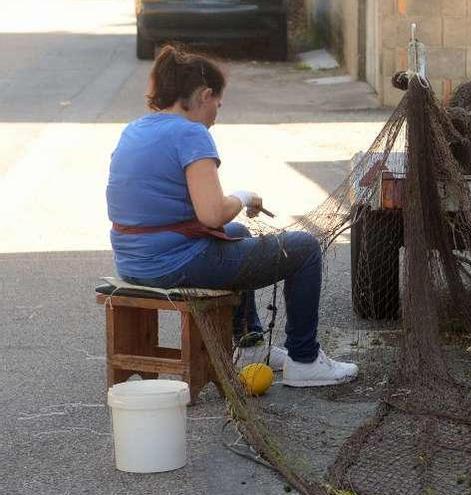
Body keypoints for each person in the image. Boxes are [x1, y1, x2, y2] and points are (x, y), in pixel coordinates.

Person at [105, 45, 357, 387]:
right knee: (304, 248)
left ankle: (250, 342)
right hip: (171, 264)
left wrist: (234, 206)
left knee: (237, 231)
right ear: (205, 95)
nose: (215, 116)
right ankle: (305, 359)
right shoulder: (190, 133)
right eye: (217, 106)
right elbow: (211, 214)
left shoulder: (135, 128)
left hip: (133, 261)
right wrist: (242, 196)